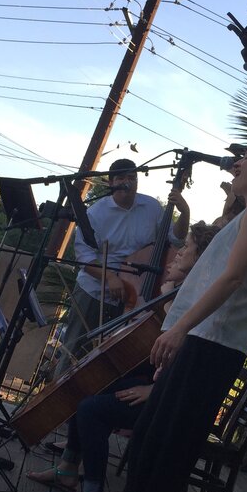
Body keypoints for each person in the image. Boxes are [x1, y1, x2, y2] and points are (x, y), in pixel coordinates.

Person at [84, 135, 247, 492]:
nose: (237, 162)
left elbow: (232, 278)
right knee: (150, 440)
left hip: (211, 347)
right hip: (201, 343)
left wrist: (180, 329)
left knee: (166, 450)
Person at [26, 222, 220, 492]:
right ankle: (67, 468)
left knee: (91, 410)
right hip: (156, 384)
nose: (178, 253)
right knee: (89, 385)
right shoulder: (180, 295)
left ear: (201, 259)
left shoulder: (198, 304)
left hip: (167, 399)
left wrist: (153, 391)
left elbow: (195, 363)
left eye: (186, 247)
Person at [55, 158, 190, 375]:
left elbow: (175, 239)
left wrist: (184, 213)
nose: (128, 182)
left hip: (135, 297)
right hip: (95, 291)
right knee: (73, 353)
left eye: (132, 178)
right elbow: (84, 257)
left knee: (112, 362)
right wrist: (109, 277)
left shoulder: (152, 207)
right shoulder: (96, 212)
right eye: (121, 178)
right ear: (110, 183)